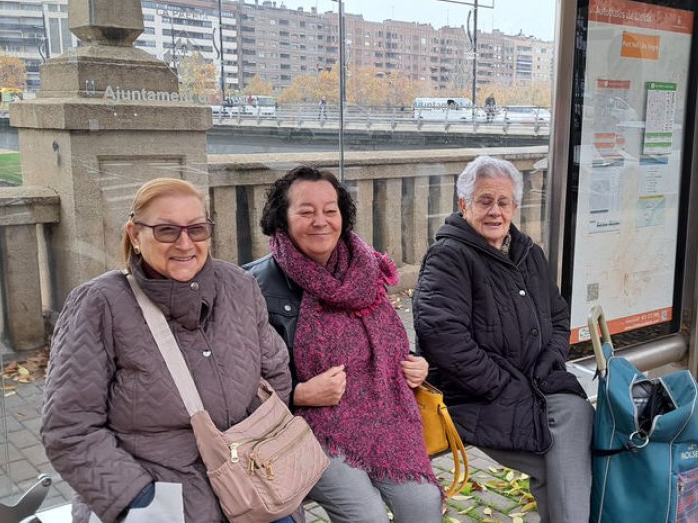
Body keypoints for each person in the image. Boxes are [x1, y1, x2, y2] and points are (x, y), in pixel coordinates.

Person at [42, 178, 295, 523]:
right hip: (158, 494)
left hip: (249, 481)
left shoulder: (239, 285)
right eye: (166, 231)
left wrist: (256, 445)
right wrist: (138, 499)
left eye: (197, 229)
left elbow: (275, 374)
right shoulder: (100, 304)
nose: (185, 243)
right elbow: (69, 428)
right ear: (135, 235)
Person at [245, 166, 442, 523]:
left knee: (424, 503)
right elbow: (237, 385)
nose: (320, 221)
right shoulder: (253, 286)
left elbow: (384, 344)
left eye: (330, 210)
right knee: (366, 516)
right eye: (306, 211)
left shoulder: (364, 271)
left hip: (383, 415)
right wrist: (299, 394)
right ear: (282, 220)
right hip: (305, 428)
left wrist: (414, 364)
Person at [413, 155, 594, 523]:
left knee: (578, 431)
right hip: (476, 396)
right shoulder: (449, 258)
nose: (495, 211)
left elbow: (559, 317)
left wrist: (549, 361)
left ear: (515, 206)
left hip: (536, 384)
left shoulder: (528, 253)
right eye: (484, 201)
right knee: (563, 457)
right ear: (464, 204)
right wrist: (506, 386)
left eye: (504, 202)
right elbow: (444, 341)